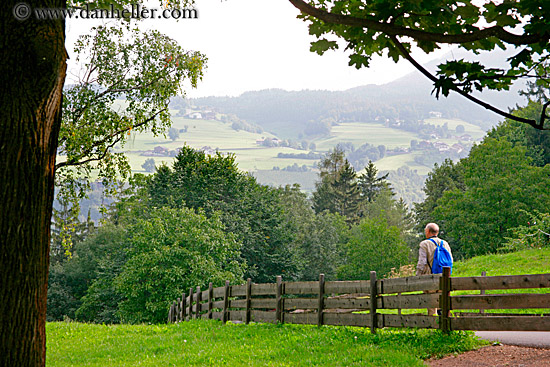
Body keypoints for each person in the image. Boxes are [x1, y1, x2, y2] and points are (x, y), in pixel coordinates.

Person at [416, 222, 453, 315]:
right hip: (444, 277)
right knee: (442, 301)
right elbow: (451, 260)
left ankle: (434, 325)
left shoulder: (424, 244)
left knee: (431, 304)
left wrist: (418, 276)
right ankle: (444, 324)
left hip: (430, 277)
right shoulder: (445, 243)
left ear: (428, 231)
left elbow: (422, 263)